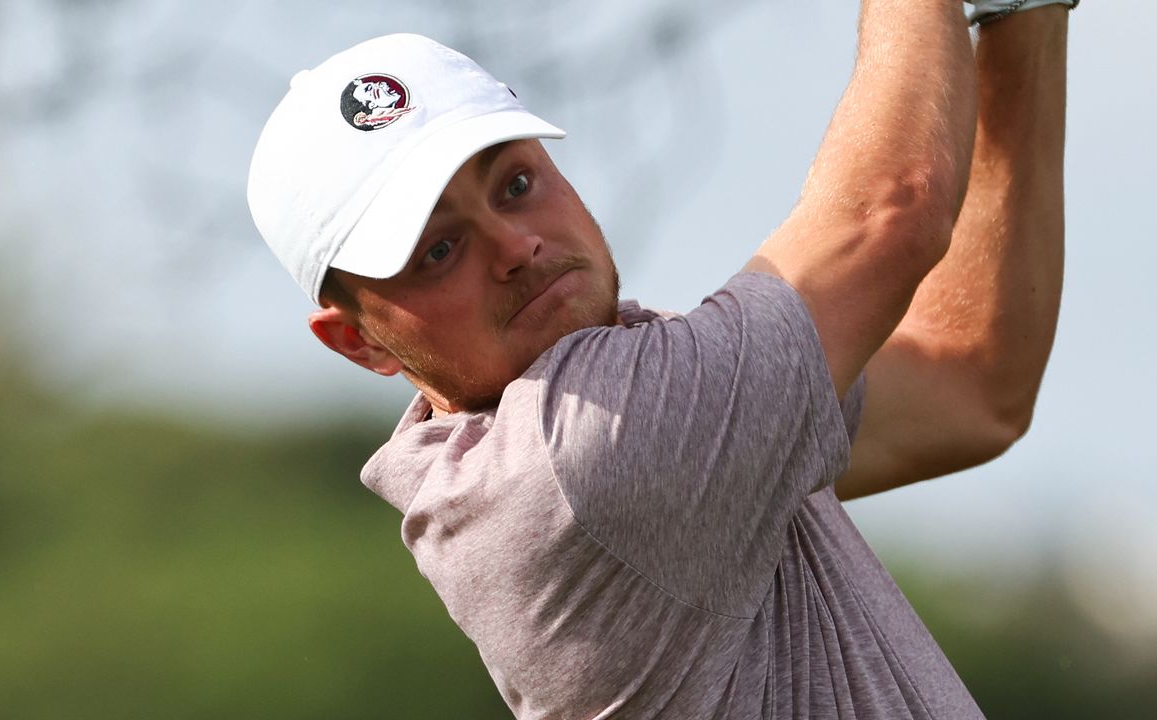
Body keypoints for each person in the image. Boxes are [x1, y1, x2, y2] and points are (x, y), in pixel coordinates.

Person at [246, 0, 1075, 716]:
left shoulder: (620, 412)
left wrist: (1019, 18)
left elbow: (972, 384)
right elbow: (893, 209)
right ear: (356, 340)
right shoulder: (582, 454)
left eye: (515, 184)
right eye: (438, 251)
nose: (516, 246)